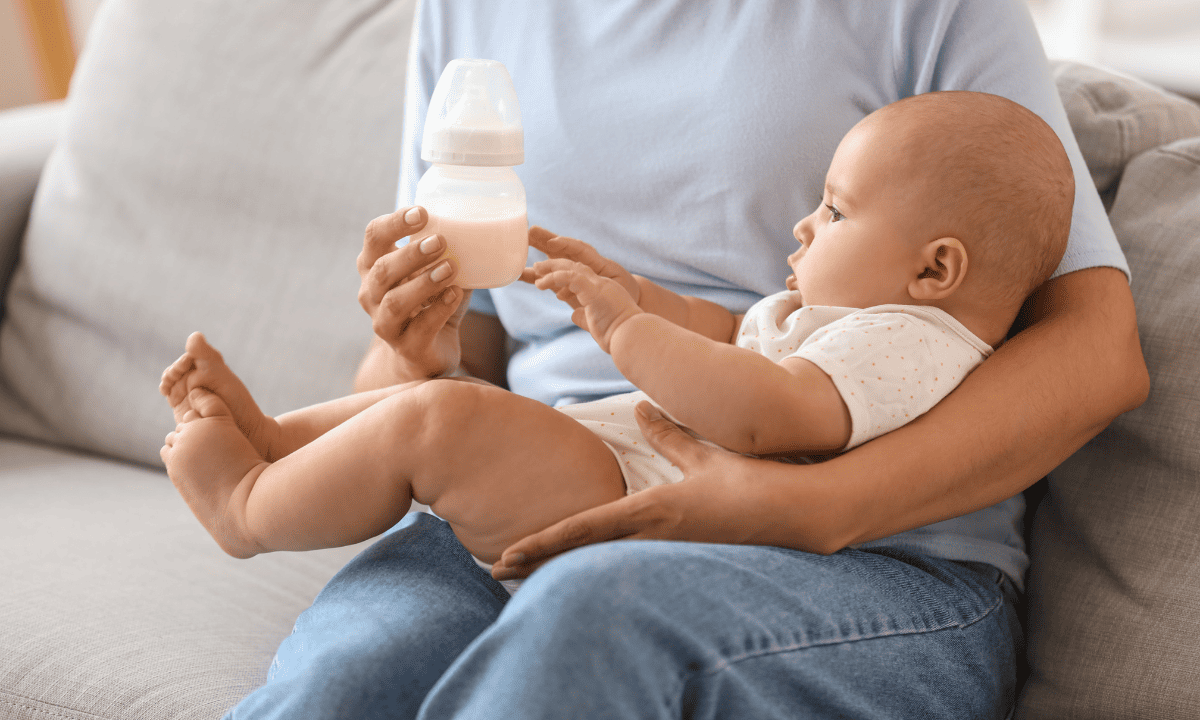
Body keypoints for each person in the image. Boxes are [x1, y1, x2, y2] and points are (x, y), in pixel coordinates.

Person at [224, 1, 1149, 718]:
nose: (806, 230)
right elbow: (436, 371)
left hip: (877, 553)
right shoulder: (471, 16)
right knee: (348, 679)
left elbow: (1097, 354)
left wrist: (812, 507)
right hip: (526, 499)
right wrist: (409, 352)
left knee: (591, 618)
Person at [159, 91, 1072, 572]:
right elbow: (721, 332)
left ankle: (246, 512)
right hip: (628, 467)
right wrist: (628, 288)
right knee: (438, 400)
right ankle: (277, 442)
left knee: (439, 422)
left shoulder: (915, 344)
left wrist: (623, 326)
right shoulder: (832, 324)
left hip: (653, 497)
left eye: (834, 213)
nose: (805, 228)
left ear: (935, 270)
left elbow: (765, 416)